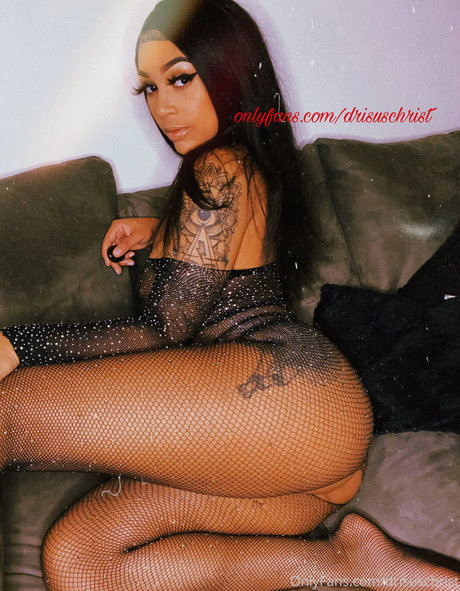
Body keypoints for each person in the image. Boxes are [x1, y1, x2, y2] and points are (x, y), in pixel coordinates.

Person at [0, 0, 457, 588]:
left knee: (9, 410)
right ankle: (348, 562)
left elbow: (160, 332)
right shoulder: (243, 166)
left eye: (180, 79)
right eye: (149, 88)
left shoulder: (217, 166)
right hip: (291, 453)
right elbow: (235, 263)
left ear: (229, 71)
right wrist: (162, 232)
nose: (162, 107)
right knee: (79, 558)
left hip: (289, 405)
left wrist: (19, 343)